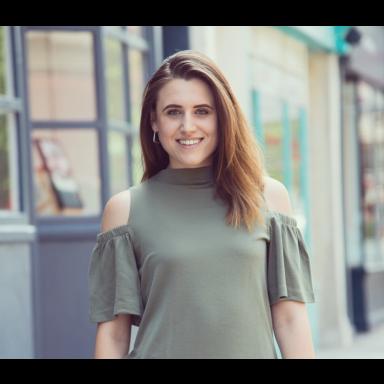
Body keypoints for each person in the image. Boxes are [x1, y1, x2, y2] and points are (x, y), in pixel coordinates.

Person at [88, 50, 316, 359]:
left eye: (202, 111)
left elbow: (290, 320)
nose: (187, 126)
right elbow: (114, 334)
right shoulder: (124, 209)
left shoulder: (269, 197)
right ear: (154, 120)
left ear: (223, 118)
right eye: (173, 112)